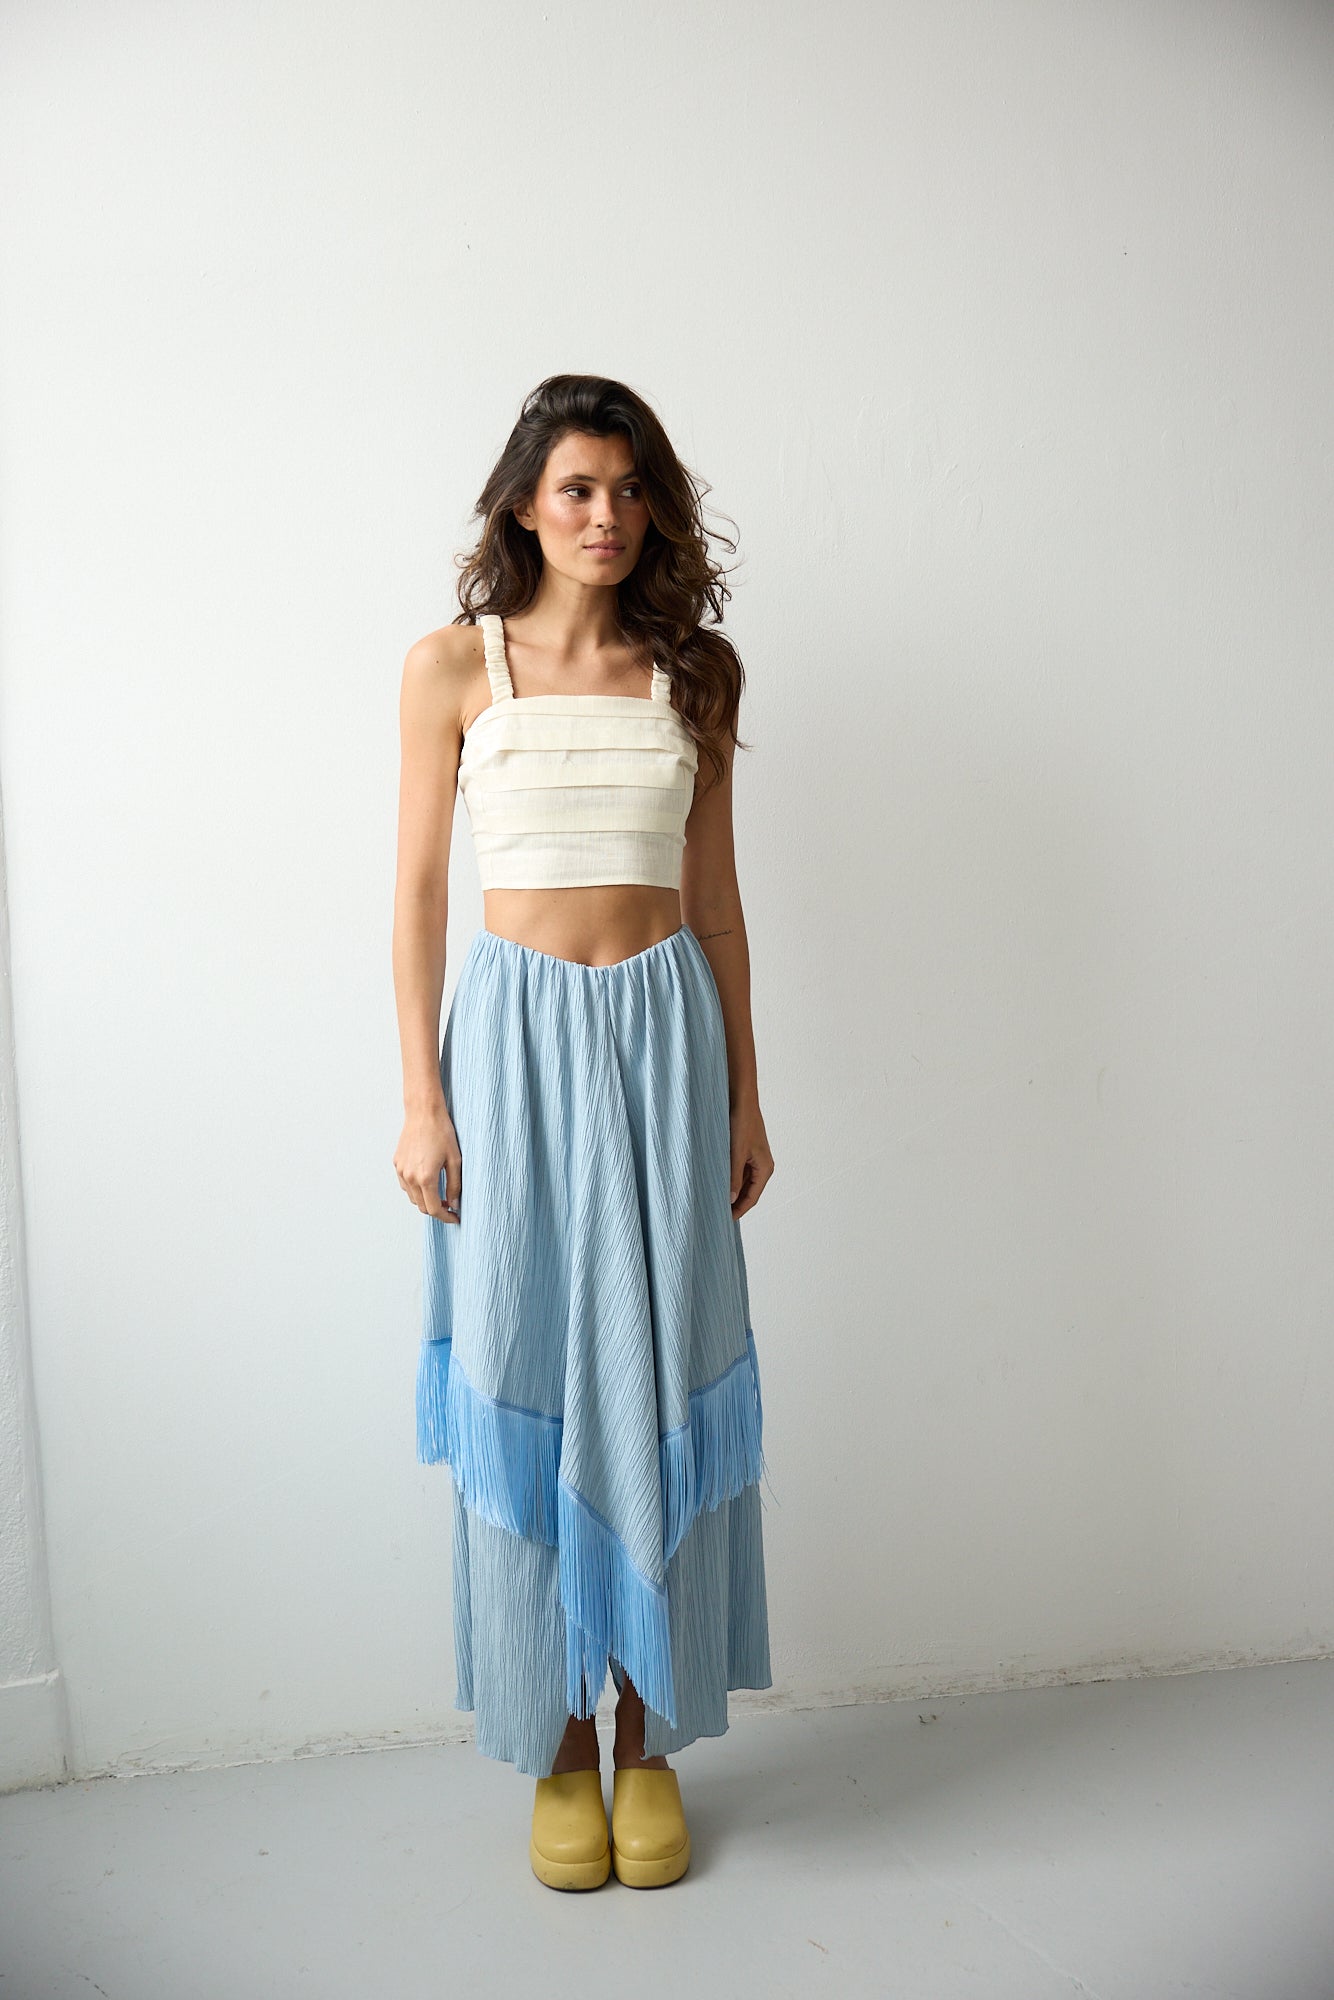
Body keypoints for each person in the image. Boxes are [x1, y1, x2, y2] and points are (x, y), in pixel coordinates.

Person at [392, 374, 775, 1891]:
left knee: (657, 1366)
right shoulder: (452, 667)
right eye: (576, 490)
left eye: (627, 490)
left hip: (666, 1039)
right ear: (523, 504)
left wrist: (746, 1092)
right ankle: (560, 1743)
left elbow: (719, 902)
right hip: (510, 1049)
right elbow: (419, 895)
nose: (604, 516)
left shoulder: (696, 675)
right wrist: (422, 1098)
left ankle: (648, 1737)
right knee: (532, 1357)